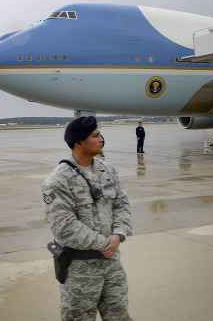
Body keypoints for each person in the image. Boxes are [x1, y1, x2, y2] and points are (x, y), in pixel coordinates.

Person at [42, 116, 133, 320]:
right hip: (79, 270)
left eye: (100, 134)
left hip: (111, 264)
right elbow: (63, 226)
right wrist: (103, 243)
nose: (101, 139)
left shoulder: (107, 170)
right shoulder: (58, 180)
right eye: (96, 135)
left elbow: (122, 204)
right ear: (79, 142)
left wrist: (118, 234)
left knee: (119, 315)